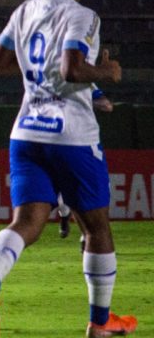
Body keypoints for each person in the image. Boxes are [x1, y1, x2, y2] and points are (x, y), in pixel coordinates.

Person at [0, 0, 136, 338]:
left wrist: (37, 73)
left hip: (26, 132)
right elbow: (72, 67)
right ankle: (100, 322)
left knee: (26, 222)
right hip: (72, 135)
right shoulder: (83, 16)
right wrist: (107, 72)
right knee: (96, 228)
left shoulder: (25, 10)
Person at [56, 85, 112, 240]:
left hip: (80, 141)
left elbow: (106, 105)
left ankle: (85, 235)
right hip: (55, 139)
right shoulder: (44, 77)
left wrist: (88, 100)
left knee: (85, 191)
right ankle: (66, 217)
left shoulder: (84, 80)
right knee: (62, 194)